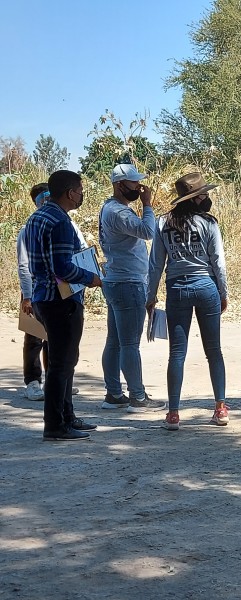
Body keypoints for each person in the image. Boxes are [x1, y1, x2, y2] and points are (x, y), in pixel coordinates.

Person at [147, 173, 229, 431]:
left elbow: (156, 264)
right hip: (206, 287)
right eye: (204, 194)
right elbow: (218, 262)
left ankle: (173, 413)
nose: (207, 198)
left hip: (177, 288)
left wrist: (150, 296)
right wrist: (223, 293)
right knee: (213, 350)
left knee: (177, 353)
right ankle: (220, 408)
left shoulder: (163, 223)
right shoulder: (208, 223)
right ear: (195, 198)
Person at [25, 170, 102, 441]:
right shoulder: (60, 221)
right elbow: (62, 267)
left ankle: (67, 417)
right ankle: (55, 425)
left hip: (42, 297)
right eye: (80, 190)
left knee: (63, 362)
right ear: (70, 192)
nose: (82, 194)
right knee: (61, 365)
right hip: (61, 301)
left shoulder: (37, 217)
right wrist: (92, 277)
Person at [99, 164, 165, 413]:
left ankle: (114, 393)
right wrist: (147, 204)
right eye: (134, 183)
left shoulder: (111, 208)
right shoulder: (119, 212)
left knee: (115, 341)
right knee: (129, 343)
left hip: (117, 279)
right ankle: (137, 395)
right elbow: (148, 231)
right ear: (119, 185)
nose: (139, 187)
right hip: (128, 282)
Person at [17, 183, 49, 401]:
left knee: (54, 338)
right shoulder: (27, 229)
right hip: (35, 290)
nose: (47, 202)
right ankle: (32, 381)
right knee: (34, 336)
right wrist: (27, 295)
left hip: (54, 290)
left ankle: (54, 379)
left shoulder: (58, 224)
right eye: (43, 199)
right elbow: (23, 264)